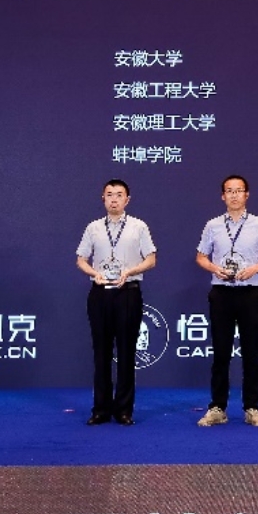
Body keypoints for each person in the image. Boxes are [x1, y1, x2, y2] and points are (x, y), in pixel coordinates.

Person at [195, 174, 258, 427]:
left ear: (246, 195)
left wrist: (255, 268)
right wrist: (214, 268)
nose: (234, 195)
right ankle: (217, 407)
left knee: (251, 352)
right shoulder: (212, 225)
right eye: (229, 191)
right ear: (223, 196)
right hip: (221, 292)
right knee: (220, 353)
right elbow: (200, 257)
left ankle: (252, 407)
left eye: (239, 190)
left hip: (250, 292)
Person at [75, 178, 157, 426]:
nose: (114, 199)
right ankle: (100, 409)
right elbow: (81, 259)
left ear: (127, 200)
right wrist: (94, 273)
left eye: (119, 195)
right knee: (101, 353)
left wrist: (130, 271)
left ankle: (123, 410)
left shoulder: (138, 227)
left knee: (126, 352)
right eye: (109, 194)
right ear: (103, 198)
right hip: (100, 293)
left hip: (127, 292)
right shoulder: (93, 228)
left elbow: (151, 259)